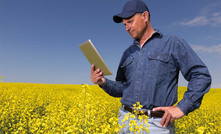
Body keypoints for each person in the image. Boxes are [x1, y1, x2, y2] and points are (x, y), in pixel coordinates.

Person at [91, 0, 211, 133]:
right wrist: (102, 82)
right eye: (125, 24)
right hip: (125, 120)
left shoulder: (172, 43)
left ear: (145, 16)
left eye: (130, 22)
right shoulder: (128, 53)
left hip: (156, 125)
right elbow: (123, 88)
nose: (126, 28)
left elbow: (200, 75)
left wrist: (183, 107)